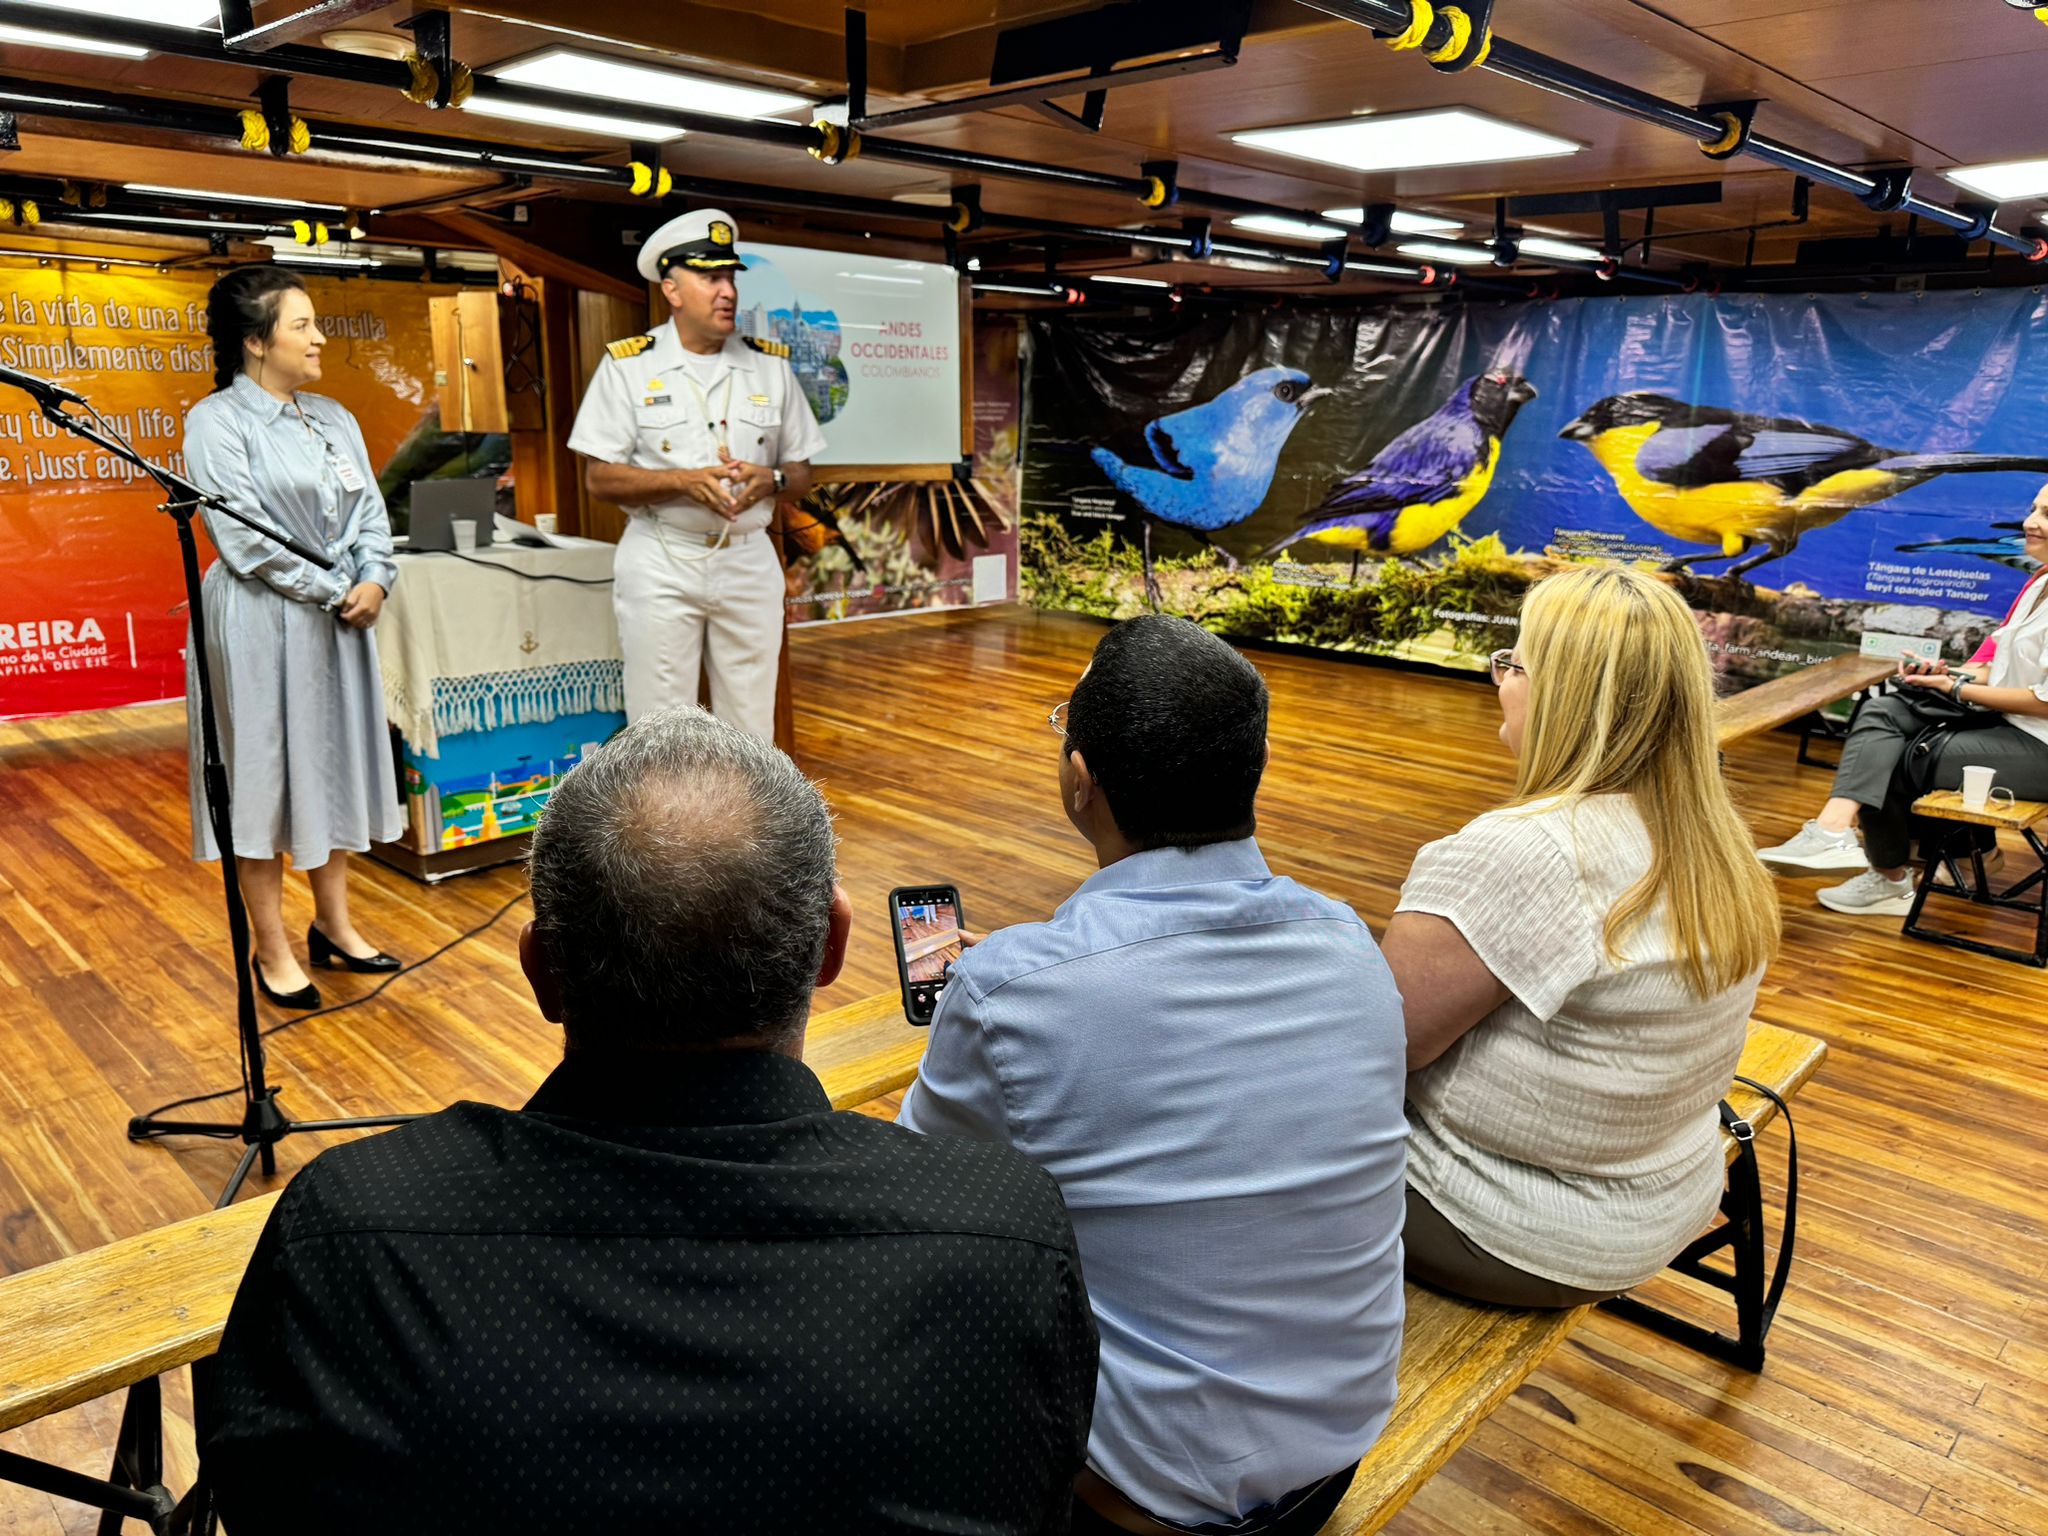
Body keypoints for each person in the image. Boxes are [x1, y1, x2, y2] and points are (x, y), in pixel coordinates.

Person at [201, 707, 1097, 1534]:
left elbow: (261, 1495)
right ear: (830, 948)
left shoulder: (347, 1242)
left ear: (541, 971)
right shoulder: (1004, 1241)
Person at [899, 616, 1408, 1536]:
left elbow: (917, 1197)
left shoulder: (1013, 990)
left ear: (1079, 782)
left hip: (1141, 1497)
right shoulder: (1350, 943)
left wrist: (1006, 980)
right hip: (1338, 1447)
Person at [1383, 566, 1781, 1309]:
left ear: (1563, 694)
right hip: (1661, 1199)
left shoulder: (1525, 851)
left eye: (1514, 664)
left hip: (1512, 1231)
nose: (1500, 681)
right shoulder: (1716, 839)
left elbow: (1375, 1047)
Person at [183, 265, 402, 1012]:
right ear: (254, 341)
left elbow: (372, 513)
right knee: (263, 776)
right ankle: (269, 946)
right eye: (301, 325)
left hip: (339, 617)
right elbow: (246, 540)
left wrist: (377, 577)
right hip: (257, 620)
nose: (319, 337)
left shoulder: (334, 416)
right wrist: (340, 589)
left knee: (330, 762)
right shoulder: (218, 421)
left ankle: (334, 924)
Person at [567, 208, 827, 738]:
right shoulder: (629, 366)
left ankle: (748, 824)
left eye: (730, 276)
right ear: (672, 289)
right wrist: (683, 481)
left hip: (749, 558)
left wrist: (771, 480)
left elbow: (802, 471)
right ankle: (664, 825)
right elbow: (599, 478)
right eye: (710, 277)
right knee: (661, 724)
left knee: (752, 725)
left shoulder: (770, 366)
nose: (727, 290)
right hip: (662, 557)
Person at [1756, 489, 2048, 914]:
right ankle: (1834, 831)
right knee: (1883, 710)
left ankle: (1888, 875)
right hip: (2008, 725)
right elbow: (1996, 668)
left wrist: (1956, 689)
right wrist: (1946, 675)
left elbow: (2043, 701)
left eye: (2047, 514)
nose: (2029, 521)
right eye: (2034, 508)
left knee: (1894, 752)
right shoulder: (2038, 582)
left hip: (2039, 746)